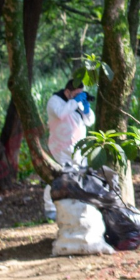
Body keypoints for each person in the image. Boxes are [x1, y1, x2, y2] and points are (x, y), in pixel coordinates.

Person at [42, 79, 95, 220]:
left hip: (78, 147)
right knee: (60, 176)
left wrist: (87, 109)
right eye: (77, 94)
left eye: (81, 94)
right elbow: (61, 114)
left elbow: (90, 121)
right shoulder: (55, 101)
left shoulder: (76, 103)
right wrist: (75, 101)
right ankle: (49, 208)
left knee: (79, 174)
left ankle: (76, 203)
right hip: (60, 147)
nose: (79, 96)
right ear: (67, 92)